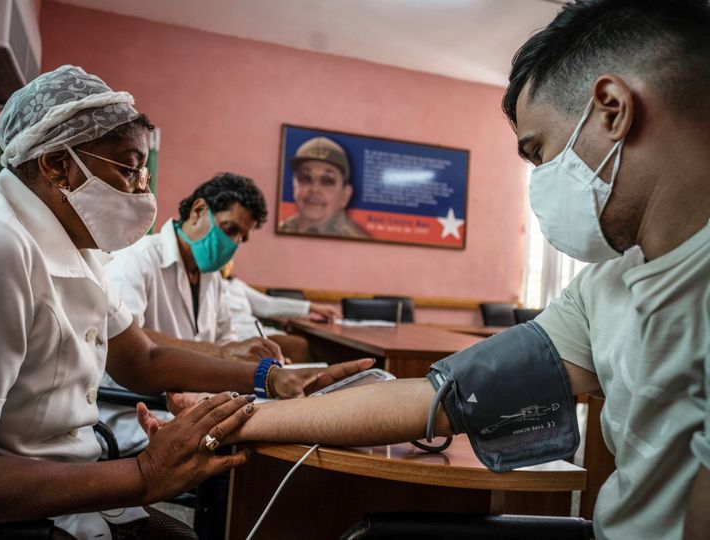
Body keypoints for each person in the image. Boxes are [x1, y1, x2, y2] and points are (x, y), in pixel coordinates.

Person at [149, 2, 710, 539]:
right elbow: (439, 397)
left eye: (539, 153)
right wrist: (232, 417)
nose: (538, 180)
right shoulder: (602, 288)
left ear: (611, 109)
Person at [0, 65, 371, 539]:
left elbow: (143, 359)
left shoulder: (79, 248)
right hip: (15, 520)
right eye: (129, 168)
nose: (143, 190)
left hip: (75, 492)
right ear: (56, 165)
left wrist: (272, 378)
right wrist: (145, 475)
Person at [102, 173, 289, 457]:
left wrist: (250, 358)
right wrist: (225, 353)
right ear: (199, 210)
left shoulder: (212, 279)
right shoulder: (136, 259)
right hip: (138, 409)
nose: (234, 243)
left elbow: (228, 341)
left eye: (242, 237)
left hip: (194, 407)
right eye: (229, 229)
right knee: (248, 457)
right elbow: (128, 339)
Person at [220, 259, 342, 362]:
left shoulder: (235, 285)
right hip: (238, 337)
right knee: (299, 345)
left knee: (320, 348)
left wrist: (312, 307)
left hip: (259, 332)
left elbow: (268, 305)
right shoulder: (209, 284)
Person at [278, 136, 368, 238]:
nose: (314, 189)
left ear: (345, 195)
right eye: (306, 178)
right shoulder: (280, 229)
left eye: (327, 181)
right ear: (294, 186)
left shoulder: (357, 243)